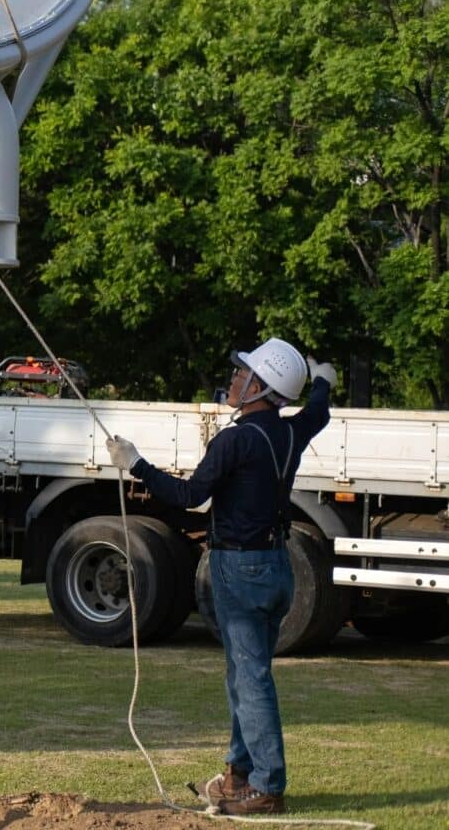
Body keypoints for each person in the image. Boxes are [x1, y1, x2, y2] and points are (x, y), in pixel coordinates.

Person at [106, 338, 337, 816]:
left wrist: (136, 465)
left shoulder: (234, 440)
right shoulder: (291, 432)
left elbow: (189, 494)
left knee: (249, 679)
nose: (234, 379)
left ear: (259, 387)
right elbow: (320, 410)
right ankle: (240, 772)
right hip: (277, 566)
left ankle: (266, 786)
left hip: (240, 569)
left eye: (242, 374)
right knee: (245, 675)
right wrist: (324, 382)